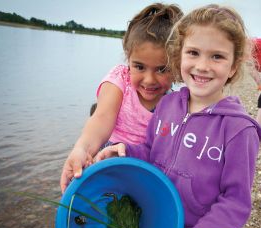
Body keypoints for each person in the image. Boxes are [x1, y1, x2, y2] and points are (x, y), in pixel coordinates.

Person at [94, 5, 261, 228]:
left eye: (217, 56)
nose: (202, 66)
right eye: (193, 53)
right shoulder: (168, 104)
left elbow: (236, 203)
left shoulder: (239, 130)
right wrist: (124, 152)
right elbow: (151, 152)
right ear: (179, 54)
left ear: (234, 65)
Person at [60, 3, 183, 193]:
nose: (149, 80)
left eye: (162, 69)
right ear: (128, 58)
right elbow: (101, 118)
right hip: (107, 158)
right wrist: (82, 149)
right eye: (139, 66)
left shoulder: (177, 103)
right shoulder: (120, 81)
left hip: (145, 168)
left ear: (177, 66)